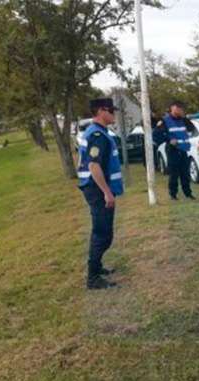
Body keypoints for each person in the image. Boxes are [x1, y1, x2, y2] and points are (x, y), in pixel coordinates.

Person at [76, 98, 124, 290]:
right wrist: (106, 192)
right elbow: (94, 165)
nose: (114, 114)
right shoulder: (97, 134)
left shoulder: (99, 132)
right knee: (102, 233)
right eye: (111, 110)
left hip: (96, 188)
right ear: (101, 111)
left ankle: (97, 266)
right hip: (97, 190)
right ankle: (93, 278)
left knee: (104, 231)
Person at [153, 100, 196, 200]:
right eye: (179, 108)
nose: (181, 111)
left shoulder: (183, 120)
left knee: (185, 174)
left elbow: (191, 128)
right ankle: (173, 194)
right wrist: (168, 139)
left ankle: (188, 193)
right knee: (174, 174)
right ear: (173, 108)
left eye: (182, 109)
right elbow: (156, 135)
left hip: (184, 150)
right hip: (173, 150)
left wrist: (185, 117)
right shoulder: (165, 121)